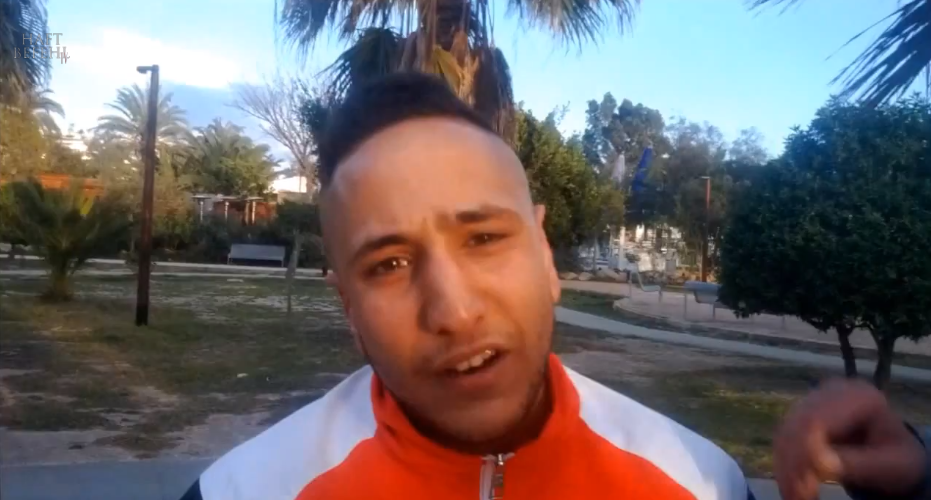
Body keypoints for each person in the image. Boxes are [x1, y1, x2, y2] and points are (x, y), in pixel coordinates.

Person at [179, 73, 929, 500]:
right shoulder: (247, 491)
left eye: (483, 238)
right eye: (389, 265)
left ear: (543, 251)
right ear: (348, 307)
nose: (453, 311)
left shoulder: (696, 482)